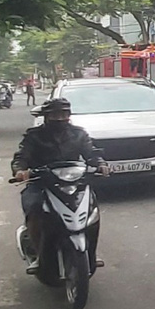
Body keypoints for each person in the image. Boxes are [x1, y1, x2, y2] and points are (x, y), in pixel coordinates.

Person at [9, 98, 105, 274]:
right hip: (41, 183)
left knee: (92, 211)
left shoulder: (79, 134)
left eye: (63, 114)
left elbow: (91, 153)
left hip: (73, 183)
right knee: (34, 207)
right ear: (46, 116)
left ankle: (91, 254)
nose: (59, 118)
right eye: (55, 114)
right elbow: (21, 156)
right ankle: (39, 255)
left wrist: (100, 164)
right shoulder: (34, 136)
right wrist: (20, 170)